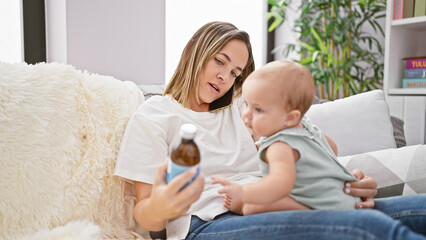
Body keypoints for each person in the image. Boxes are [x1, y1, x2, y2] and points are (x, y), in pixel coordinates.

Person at [114, 21, 426, 239]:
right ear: (195, 49)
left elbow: (314, 146)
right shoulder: (154, 115)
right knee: (366, 228)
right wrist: (162, 206)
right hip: (208, 223)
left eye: (235, 72)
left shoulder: (244, 106)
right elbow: (146, 214)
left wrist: (342, 179)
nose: (225, 77)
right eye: (219, 61)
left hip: (283, 203)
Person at [211, 60, 360, 214]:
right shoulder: (308, 128)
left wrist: (243, 192)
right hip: (347, 196)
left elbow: (279, 184)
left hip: (327, 205)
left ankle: (241, 207)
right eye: (247, 104)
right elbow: (333, 148)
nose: (246, 114)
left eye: (258, 110)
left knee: (252, 207)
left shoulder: (279, 146)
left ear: (290, 118)